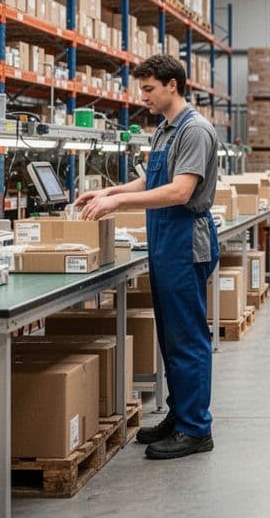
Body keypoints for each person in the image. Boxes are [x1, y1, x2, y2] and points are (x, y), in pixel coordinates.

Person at [75, 54, 220, 460]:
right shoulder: (165, 130)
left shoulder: (194, 130)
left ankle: (196, 428)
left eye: (150, 89)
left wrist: (119, 206)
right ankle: (180, 415)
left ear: (173, 85)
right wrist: (111, 192)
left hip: (184, 241)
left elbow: (179, 192)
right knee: (172, 338)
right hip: (163, 239)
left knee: (188, 338)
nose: (144, 97)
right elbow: (152, 179)